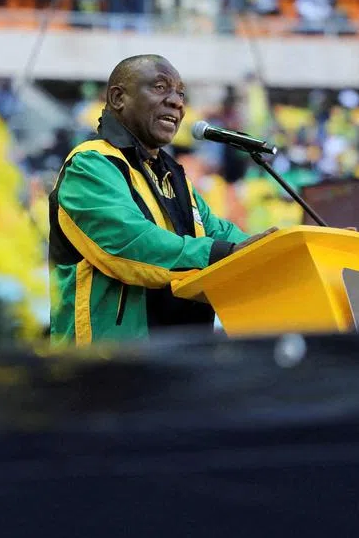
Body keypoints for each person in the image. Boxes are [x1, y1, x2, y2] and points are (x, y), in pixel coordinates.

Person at [49, 55, 253, 344]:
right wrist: (221, 253)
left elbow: (221, 233)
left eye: (180, 94)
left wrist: (289, 247)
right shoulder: (90, 165)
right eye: (160, 87)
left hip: (180, 358)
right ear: (118, 97)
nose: (176, 102)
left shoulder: (173, 175)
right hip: (106, 367)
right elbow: (129, 245)